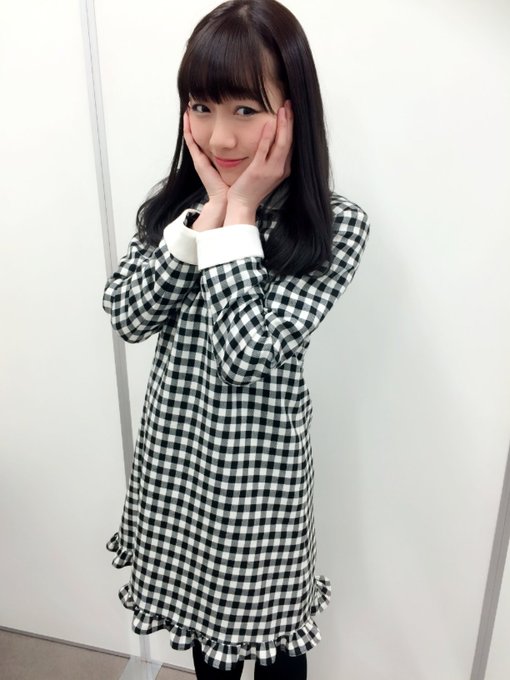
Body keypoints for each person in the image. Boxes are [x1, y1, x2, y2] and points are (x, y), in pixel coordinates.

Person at [103, 0, 370, 677]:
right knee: (207, 652)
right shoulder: (175, 208)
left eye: (245, 109)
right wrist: (207, 218)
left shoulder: (331, 227)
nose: (220, 136)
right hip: (177, 473)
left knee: (276, 652)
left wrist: (241, 213)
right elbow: (127, 315)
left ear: (291, 113)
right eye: (201, 106)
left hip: (260, 490)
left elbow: (244, 355)